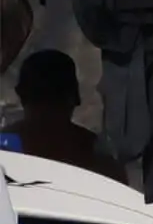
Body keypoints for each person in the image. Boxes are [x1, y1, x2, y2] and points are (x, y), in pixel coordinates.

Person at [11, 49, 125, 181]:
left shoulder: (99, 156)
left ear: (22, 96)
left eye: (54, 103)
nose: (48, 128)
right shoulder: (98, 155)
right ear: (73, 100)